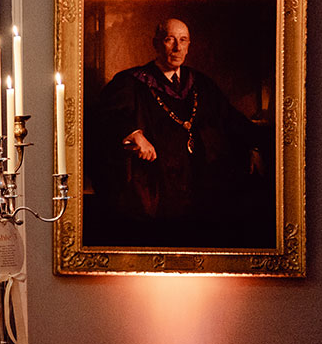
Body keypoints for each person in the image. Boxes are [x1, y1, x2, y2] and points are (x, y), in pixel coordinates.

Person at [87, 18, 270, 249]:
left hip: (197, 189)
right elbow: (103, 117)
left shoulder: (200, 84)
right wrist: (133, 133)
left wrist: (253, 146)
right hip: (155, 191)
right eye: (169, 39)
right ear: (156, 43)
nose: (177, 47)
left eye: (183, 40)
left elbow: (230, 119)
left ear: (189, 45)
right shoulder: (130, 82)